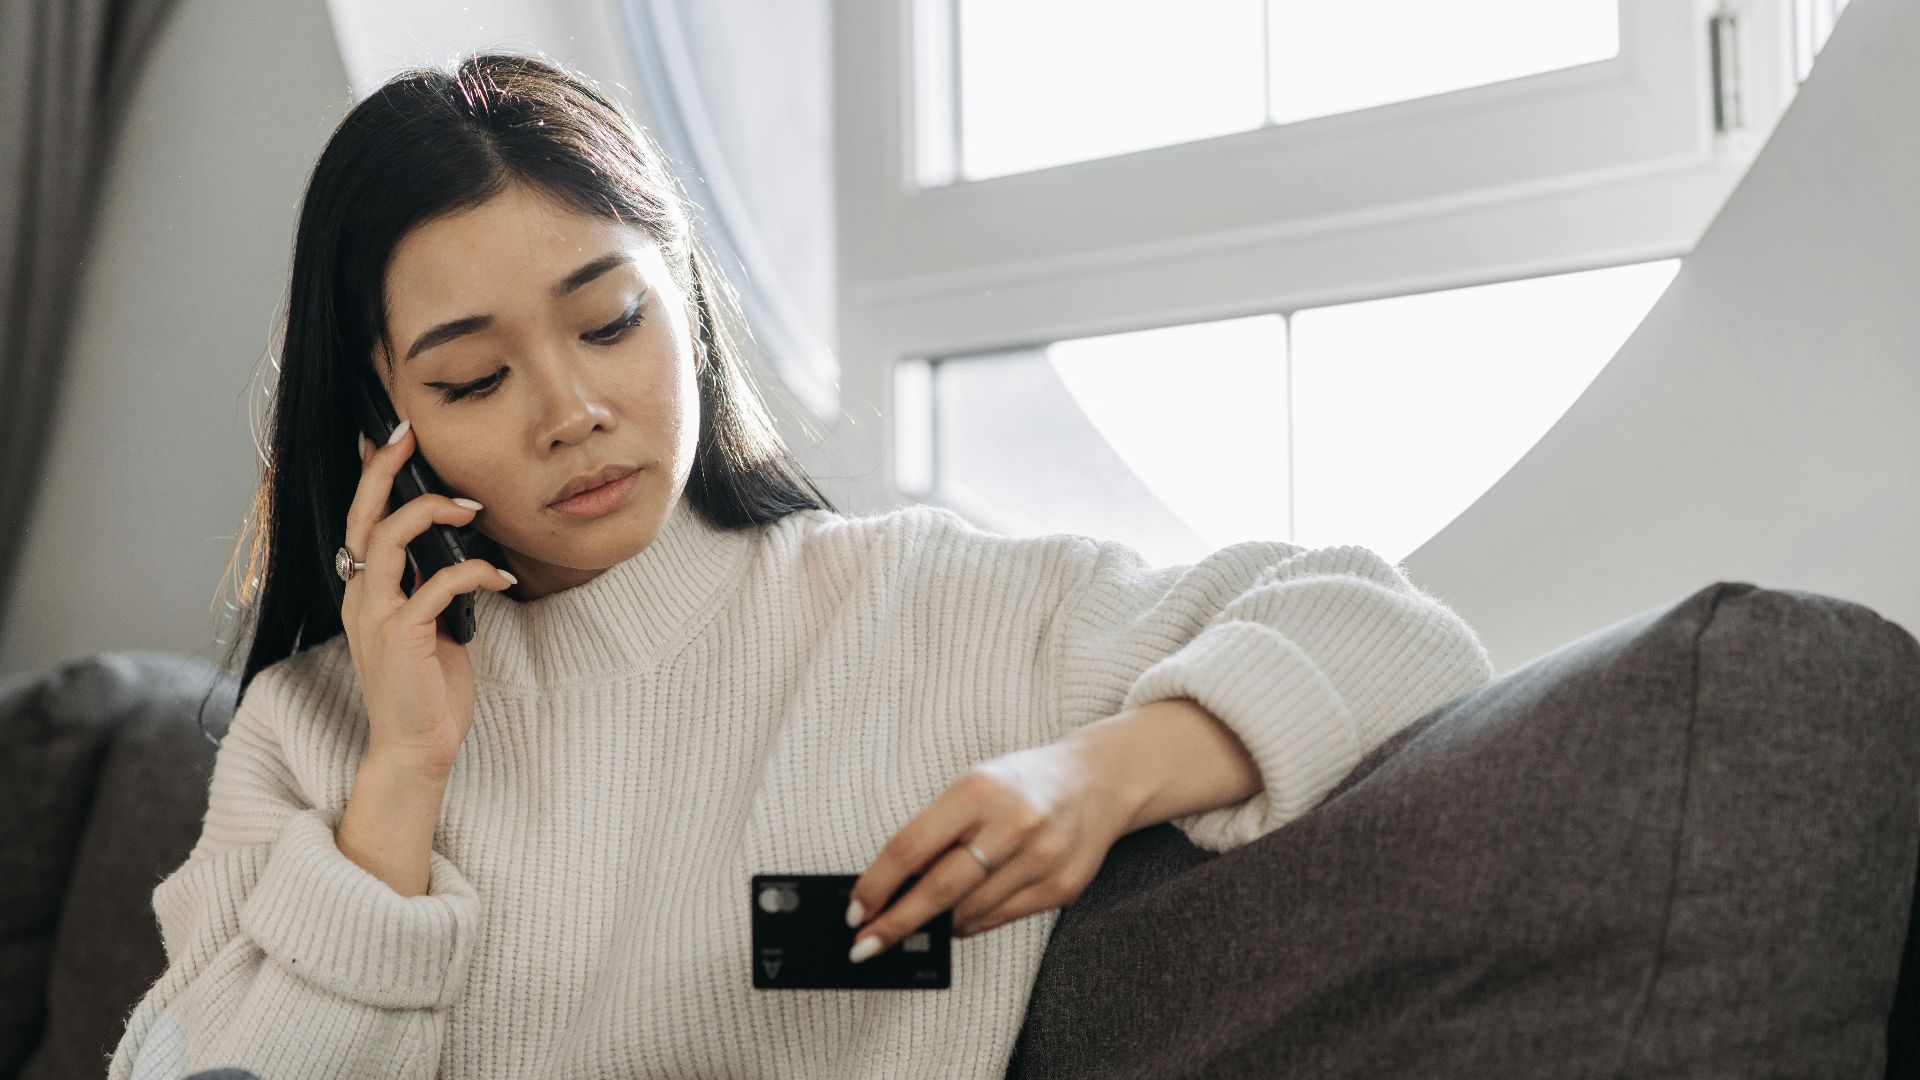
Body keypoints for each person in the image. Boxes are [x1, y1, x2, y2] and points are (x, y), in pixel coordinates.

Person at [107, 52, 1495, 1080]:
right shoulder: (315, 733)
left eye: (610, 325)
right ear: (384, 422)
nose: (571, 410)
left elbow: (1389, 630)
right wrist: (401, 784)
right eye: (475, 377)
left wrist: (1096, 774)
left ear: (688, 307)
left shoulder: (924, 608)